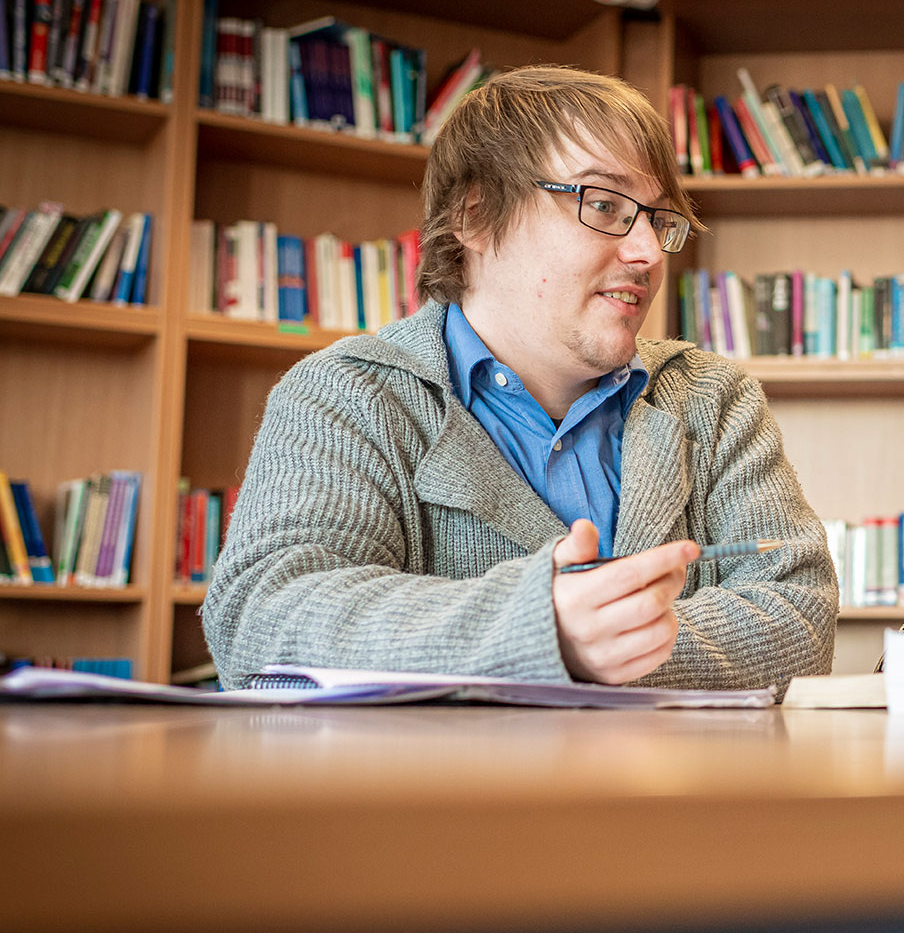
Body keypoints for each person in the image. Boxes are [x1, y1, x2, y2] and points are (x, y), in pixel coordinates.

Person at [204, 65, 836, 692]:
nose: (647, 251)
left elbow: (800, 618)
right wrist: (540, 633)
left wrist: (596, 643)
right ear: (476, 217)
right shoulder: (348, 396)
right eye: (607, 205)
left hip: (662, 795)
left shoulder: (712, 398)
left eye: (657, 220)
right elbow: (262, 620)